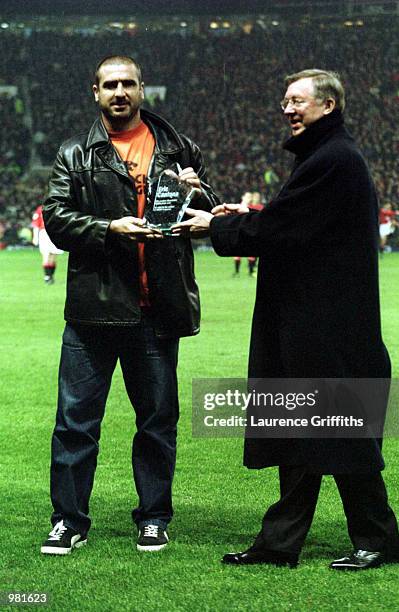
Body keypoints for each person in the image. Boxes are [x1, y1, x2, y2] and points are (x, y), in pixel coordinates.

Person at [173, 69, 399, 570]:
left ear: (329, 106)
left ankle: (378, 541)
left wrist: (219, 223)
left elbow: (285, 227)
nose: (287, 109)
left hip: (329, 329)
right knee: (303, 435)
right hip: (315, 325)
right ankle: (280, 545)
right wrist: (240, 211)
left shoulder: (333, 159)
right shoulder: (325, 158)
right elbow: (292, 220)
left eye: (298, 101)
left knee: (344, 434)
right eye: (284, 101)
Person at [40, 55, 219, 555]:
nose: (120, 92)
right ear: (94, 92)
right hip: (93, 312)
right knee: (75, 423)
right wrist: (106, 228)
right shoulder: (75, 152)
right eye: (110, 85)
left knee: (158, 421)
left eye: (129, 84)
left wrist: (197, 191)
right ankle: (68, 520)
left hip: (155, 310)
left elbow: (209, 215)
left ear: (144, 90)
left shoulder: (179, 148)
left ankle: (154, 517)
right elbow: (55, 217)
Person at [31, 204, 63, 284]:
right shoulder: (57, 207)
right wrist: (35, 237)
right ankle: (48, 277)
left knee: (52, 255)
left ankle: (49, 277)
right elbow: (36, 223)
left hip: (50, 232)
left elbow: (36, 224)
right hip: (47, 232)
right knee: (48, 255)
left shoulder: (42, 208)